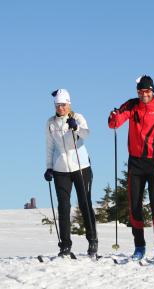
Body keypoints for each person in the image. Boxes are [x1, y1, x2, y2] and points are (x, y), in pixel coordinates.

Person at [108, 75, 154, 261]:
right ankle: (139, 247)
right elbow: (114, 124)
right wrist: (114, 117)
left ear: (152, 91)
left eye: (146, 91)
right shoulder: (131, 105)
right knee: (135, 207)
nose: (143, 95)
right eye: (140, 92)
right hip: (135, 163)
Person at [44, 89, 98, 257]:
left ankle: (93, 240)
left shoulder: (77, 117)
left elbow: (87, 134)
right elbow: (49, 146)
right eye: (58, 105)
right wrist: (49, 167)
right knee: (64, 207)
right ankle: (65, 245)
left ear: (69, 104)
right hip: (61, 169)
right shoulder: (51, 123)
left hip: (81, 167)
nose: (61, 108)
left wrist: (76, 128)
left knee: (84, 203)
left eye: (63, 104)